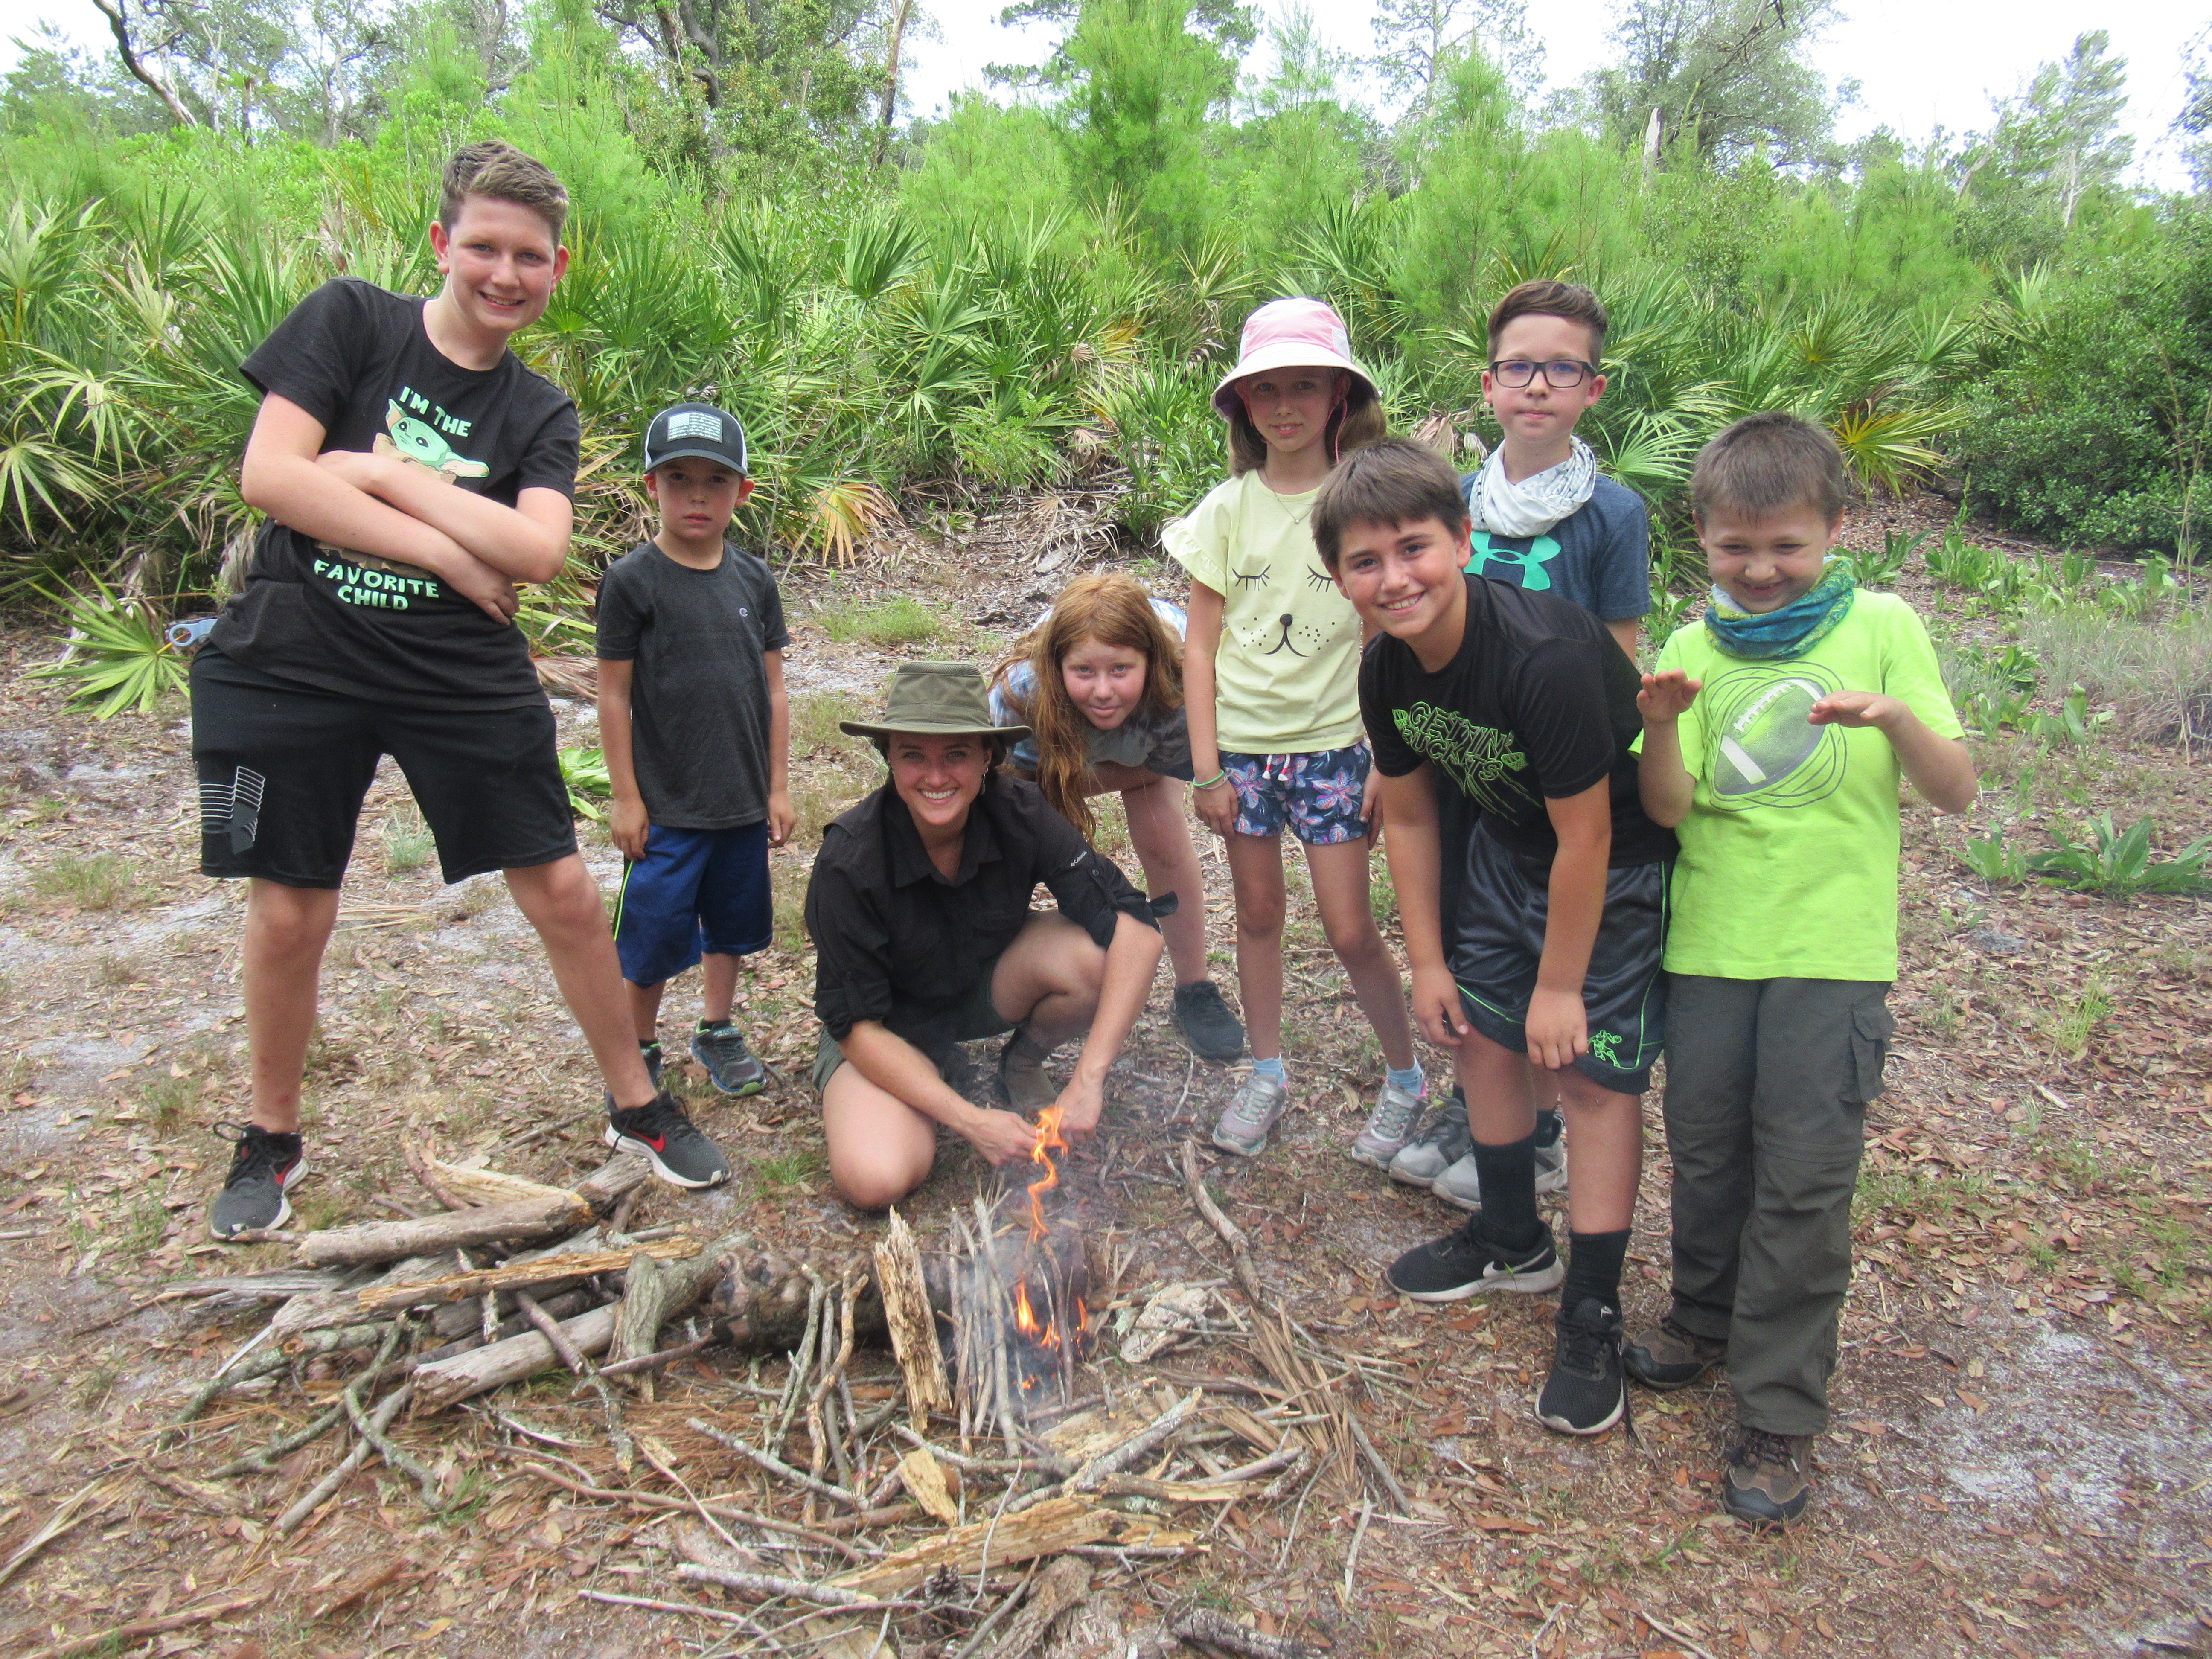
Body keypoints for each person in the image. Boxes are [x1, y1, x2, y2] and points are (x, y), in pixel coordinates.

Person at [193, 141, 730, 1239]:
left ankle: (637, 1104)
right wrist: (448, 549)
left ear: (557, 268)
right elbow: (274, 476)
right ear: (441, 245)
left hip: (457, 673)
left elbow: (533, 553)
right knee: (293, 907)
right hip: (300, 652)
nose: (504, 273)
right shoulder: (351, 323)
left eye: (528, 257)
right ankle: (271, 1135)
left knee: (565, 892)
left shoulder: (540, 412)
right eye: (482, 247)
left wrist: (387, 470)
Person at [1632, 413, 1976, 1525]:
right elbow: (1670, 811)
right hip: (1714, 950)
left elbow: (1955, 788)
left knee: (1806, 1176)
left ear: (1835, 528)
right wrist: (1662, 726)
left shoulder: (1882, 627)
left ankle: (1780, 1410)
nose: (1763, 569)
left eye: (1787, 545)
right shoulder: (1689, 651)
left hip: (1831, 957)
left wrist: (1889, 720)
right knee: (1706, 1148)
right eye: (1738, 549)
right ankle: (1703, 1319)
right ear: (1704, 541)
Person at [1315, 437, 1676, 1438]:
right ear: (1338, 577)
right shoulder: (1386, 668)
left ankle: (1592, 1307)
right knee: (1477, 1034)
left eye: (1414, 548)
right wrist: (1424, 958)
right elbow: (1416, 814)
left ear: (1465, 540)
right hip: (1500, 851)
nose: (1394, 579)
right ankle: (1513, 1235)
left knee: (1597, 1080)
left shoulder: (1544, 658)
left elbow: (1591, 832)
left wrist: (1560, 985)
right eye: (1363, 561)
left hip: (1610, 867)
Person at [1391, 280, 1652, 1209]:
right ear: (1490, 383)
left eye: (1562, 369)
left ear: (1595, 387)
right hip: (1458, 756)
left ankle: (1539, 1127)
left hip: (1558, 778)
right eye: (1518, 368)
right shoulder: (1451, 501)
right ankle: (1481, 1101)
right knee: (1467, 928)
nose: (1537, 386)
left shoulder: (1613, 514)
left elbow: (1616, 663)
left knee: (1547, 939)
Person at [1165, 296, 1423, 1163]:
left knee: (1351, 928)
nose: (1285, 406)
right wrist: (1206, 771)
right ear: (1243, 407)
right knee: (1260, 913)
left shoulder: (1357, 502)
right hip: (1243, 749)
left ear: (1338, 398)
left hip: (1337, 747)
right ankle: (1267, 1070)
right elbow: (1199, 649)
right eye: (1266, 390)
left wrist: (1391, 756)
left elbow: (1387, 638)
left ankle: (1404, 1077)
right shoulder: (1227, 510)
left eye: (1305, 387)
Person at [803, 662, 1165, 1211]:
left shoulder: (1021, 813)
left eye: (956, 755)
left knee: (1098, 955)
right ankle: (926, 1079)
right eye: (913, 756)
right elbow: (856, 1027)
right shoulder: (849, 862)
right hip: (884, 1029)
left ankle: (1019, 1065)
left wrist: (1090, 1077)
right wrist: (970, 1120)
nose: (936, 776)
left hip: (976, 989)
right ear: (888, 760)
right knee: (876, 1179)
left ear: (987, 759)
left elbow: (1137, 930)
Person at [597, 402, 792, 1104]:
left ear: (741, 491)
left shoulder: (753, 580)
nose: (697, 496)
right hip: (667, 807)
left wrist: (776, 787)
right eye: (679, 478)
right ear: (652, 485)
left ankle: (716, 1027)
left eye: (715, 481)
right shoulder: (632, 582)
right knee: (650, 933)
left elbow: (773, 689)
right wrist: (626, 796)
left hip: (739, 799)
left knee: (731, 925)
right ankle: (638, 1043)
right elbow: (612, 695)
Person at [987, 571, 1244, 1062]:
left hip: (1148, 738)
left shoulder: (1182, 684)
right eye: (1084, 671)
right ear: (1057, 664)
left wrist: (1087, 780)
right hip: (1051, 747)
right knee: (1015, 842)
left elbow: (1168, 770)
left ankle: (1194, 988)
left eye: (1121, 669)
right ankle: (996, 961)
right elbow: (1004, 796)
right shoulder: (1021, 695)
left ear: (1148, 660)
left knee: (1162, 837)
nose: (1104, 691)